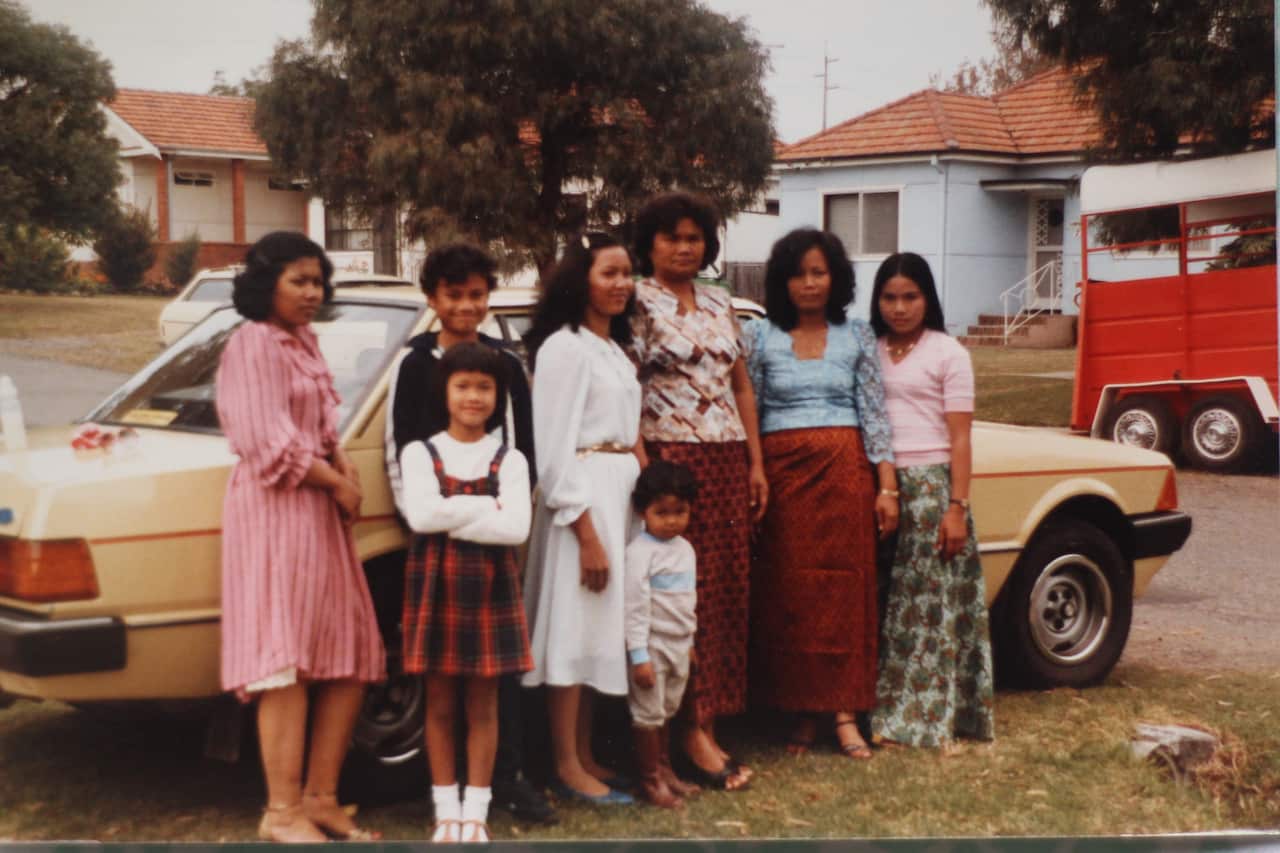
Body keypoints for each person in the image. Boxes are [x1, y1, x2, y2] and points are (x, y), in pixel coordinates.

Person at [215, 231, 384, 843]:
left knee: (346, 655)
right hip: (277, 509)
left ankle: (321, 797)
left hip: (317, 511)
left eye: (318, 282)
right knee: (285, 660)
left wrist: (342, 465)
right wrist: (333, 482)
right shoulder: (252, 344)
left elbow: (317, 424)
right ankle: (280, 810)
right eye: (299, 281)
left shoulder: (302, 341)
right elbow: (268, 442)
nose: (312, 293)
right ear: (267, 285)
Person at [385, 243, 554, 825]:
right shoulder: (415, 363)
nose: (465, 305)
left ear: (489, 298)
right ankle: (446, 802)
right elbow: (398, 445)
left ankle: (500, 782)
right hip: (433, 531)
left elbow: (519, 444)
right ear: (432, 298)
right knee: (442, 684)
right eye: (453, 295)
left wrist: (500, 515)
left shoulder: (502, 362)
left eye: (476, 295)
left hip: (493, 534)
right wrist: (420, 512)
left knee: (493, 678)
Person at [743, 228, 898, 760]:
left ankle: (845, 713)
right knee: (794, 593)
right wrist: (756, 471)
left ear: (835, 278)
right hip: (784, 483)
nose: (808, 283)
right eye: (797, 273)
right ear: (781, 281)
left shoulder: (857, 336)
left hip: (845, 475)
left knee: (845, 591)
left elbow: (875, 414)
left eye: (818, 272)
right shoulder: (759, 337)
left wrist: (886, 488)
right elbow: (753, 413)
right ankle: (801, 714)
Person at [629, 192, 763, 791]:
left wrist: (756, 464)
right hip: (672, 461)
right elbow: (624, 386)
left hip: (728, 458)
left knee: (723, 593)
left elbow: (741, 387)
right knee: (677, 600)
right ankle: (684, 732)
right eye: (671, 237)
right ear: (650, 244)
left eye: (694, 237)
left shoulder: (719, 300)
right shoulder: (635, 299)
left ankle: (707, 720)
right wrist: (643, 466)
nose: (685, 247)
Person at [521, 232, 643, 804]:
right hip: (583, 502)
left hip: (618, 496)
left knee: (600, 629)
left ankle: (589, 752)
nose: (621, 284)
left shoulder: (612, 348)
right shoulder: (563, 348)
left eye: (627, 274)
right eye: (609, 273)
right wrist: (587, 533)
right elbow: (554, 450)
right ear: (581, 279)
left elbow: (629, 435)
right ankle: (566, 765)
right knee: (572, 627)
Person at [398, 342, 534, 843]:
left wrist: (450, 508)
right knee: (438, 705)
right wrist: (485, 510)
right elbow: (421, 516)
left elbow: (517, 527)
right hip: (437, 589)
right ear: (445, 391)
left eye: (484, 387)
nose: (473, 397)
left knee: (484, 707)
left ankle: (476, 810)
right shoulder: (421, 452)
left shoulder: (510, 459)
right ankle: (445, 808)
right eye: (463, 386)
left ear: (498, 396)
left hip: (491, 595)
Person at [868, 252, 995, 748]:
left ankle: (921, 716)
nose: (899, 308)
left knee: (927, 609)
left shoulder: (948, 353)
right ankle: (873, 708)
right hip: (878, 484)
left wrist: (956, 507)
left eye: (910, 297)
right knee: (885, 604)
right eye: (889, 297)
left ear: (928, 299)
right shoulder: (870, 348)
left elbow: (961, 438)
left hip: (932, 489)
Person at [624, 461, 703, 809]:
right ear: (643, 511)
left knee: (668, 709)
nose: (671, 520)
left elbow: (688, 600)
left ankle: (666, 770)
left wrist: (690, 642)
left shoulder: (685, 549)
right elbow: (635, 608)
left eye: (680, 512)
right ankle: (649, 780)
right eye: (662, 512)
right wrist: (639, 656)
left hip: (678, 643)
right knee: (648, 713)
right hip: (652, 646)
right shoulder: (639, 553)